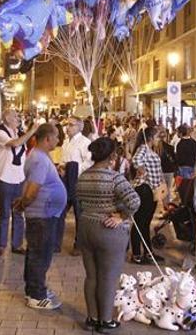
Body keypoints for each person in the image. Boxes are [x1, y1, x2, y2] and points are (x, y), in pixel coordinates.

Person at [77, 136, 140, 330]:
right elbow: (134, 201)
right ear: (112, 156)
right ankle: (105, 321)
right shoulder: (115, 178)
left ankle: (92, 318)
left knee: (92, 276)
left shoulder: (83, 176)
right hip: (108, 230)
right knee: (108, 276)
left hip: (86, 227)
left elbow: (79, 200)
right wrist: (121, 216)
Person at [14, 124, 66, 310]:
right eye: (56, 137)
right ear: (47, 139)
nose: (58, 140)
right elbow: (32, 189)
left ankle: (35, 289)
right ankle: (37, 295)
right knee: (40, 254)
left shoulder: (40, 157)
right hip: (42, 214)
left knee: (37, 252)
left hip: (45, 213)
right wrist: (24, 203)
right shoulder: (39, 159)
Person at [0, 109, 39, 256]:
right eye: (15, 116)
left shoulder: (18, 133)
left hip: (19, 179)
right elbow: (15, 144)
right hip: (5, 178)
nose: (18, 118)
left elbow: (23, 155)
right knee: (5, 213)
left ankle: (17, 244)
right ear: (6, 118)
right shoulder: (0, 133)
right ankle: (1, 245)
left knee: (19, 213)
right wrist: (31, 131)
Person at [128, 127, 166, 265]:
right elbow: (136, 160)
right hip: (145, 189)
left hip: (151, 190)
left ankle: (148, 252)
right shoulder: (143, 148)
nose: (158, 140)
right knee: (140, 222)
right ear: (150, 138)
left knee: (145, 223)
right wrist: (141, 170)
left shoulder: (149, 150)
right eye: (156, 137)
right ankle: (137, 253)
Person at [57, 117, 92, 254]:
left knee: (80, 214)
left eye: (71, 125)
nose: (68, 127)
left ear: (79, 127)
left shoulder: (85, 142)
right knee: (60, 212)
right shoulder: (66, 142)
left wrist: (73, 169)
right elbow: (63, 159)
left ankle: (79, 244)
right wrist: (61, 167)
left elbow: (88, 162)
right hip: (65, 181)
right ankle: (56, 242)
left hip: (78, 182)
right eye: (67, 125)